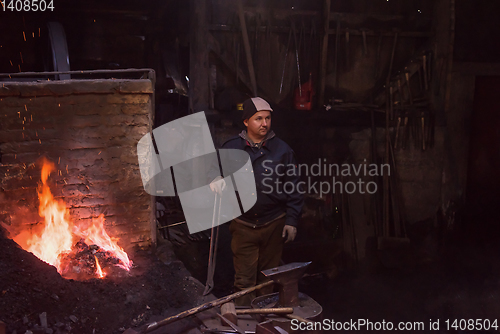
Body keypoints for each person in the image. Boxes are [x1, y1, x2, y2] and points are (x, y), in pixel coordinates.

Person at [210, 97, 304, 305]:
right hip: (243, 225)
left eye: (268, 118)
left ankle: (265, 322)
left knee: (267, 279)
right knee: (244, 282)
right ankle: (246, 321)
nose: (264, 123)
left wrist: (292, 221)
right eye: (258, 118)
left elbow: (294, 187)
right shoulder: (230, 148)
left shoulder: (282, 150)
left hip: (274, 224)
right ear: (246, 121)